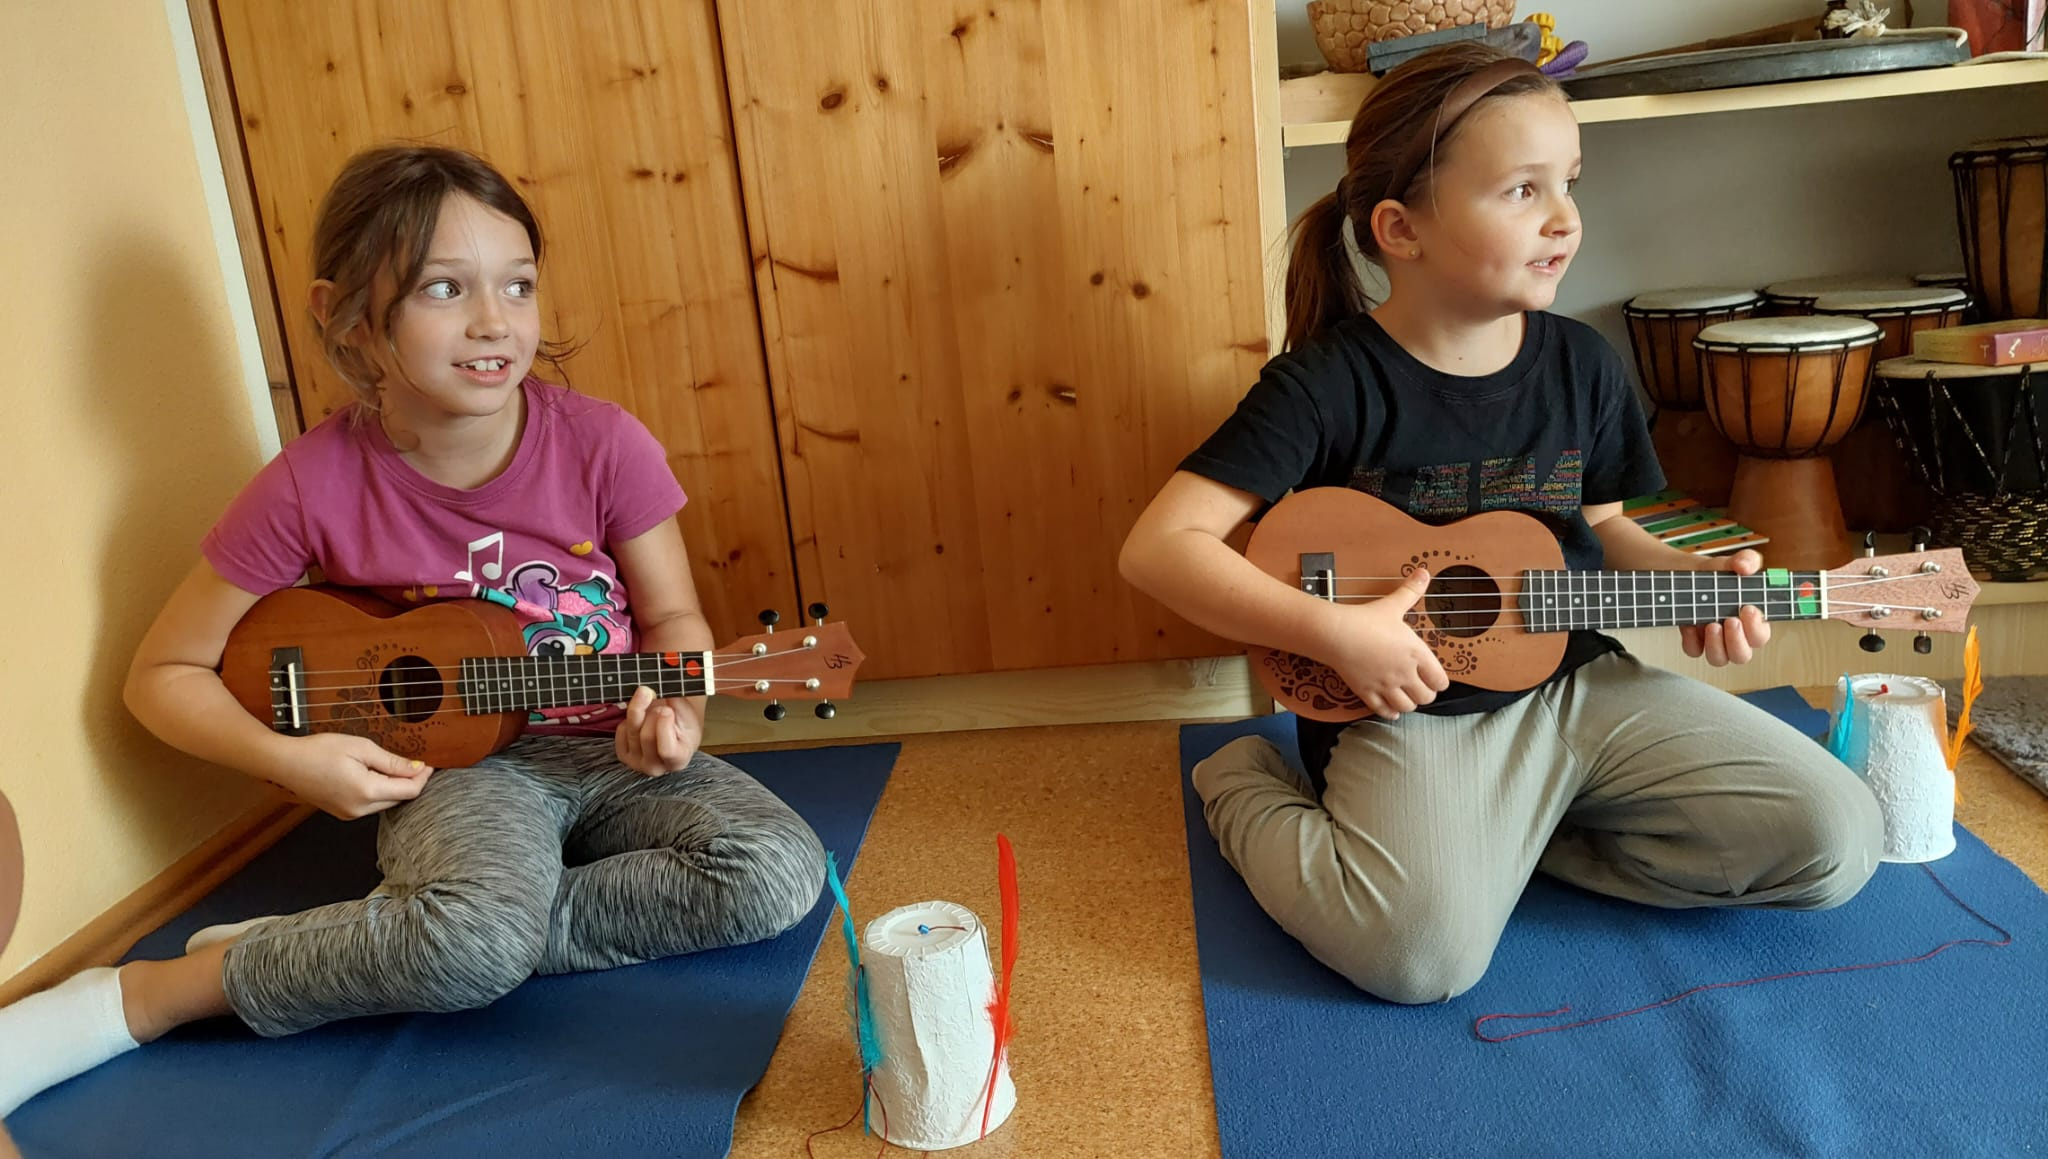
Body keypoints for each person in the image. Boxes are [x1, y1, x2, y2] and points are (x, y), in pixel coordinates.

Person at [0, 144, 826, 1116]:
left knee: (779, 872)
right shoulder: (308, 484)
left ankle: (393, 937)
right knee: (475, 935)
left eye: (518, 284)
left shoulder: (604, 441)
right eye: (444, 287)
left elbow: (672, 618)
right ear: (346, 313)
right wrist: (292, 761)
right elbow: (163, 673)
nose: (495, 321)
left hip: (608, 750)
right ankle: (153, 993)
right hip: (457, 774)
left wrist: (679, 711)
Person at [1118, 45, 1883, 1005]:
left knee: (1838, 839)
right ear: (1401, 228)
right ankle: (1241, 782)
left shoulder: (1583, 364)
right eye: (1522, 190)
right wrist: (1336, 633)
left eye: (1568, 183)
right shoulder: (1324, 384)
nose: (1564, 217)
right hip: (1410, 709)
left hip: (1579, 684)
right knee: (1417, 960)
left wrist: (1693, 582)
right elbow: (1160, 547)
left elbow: (1604, 528)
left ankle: (1512, 840)